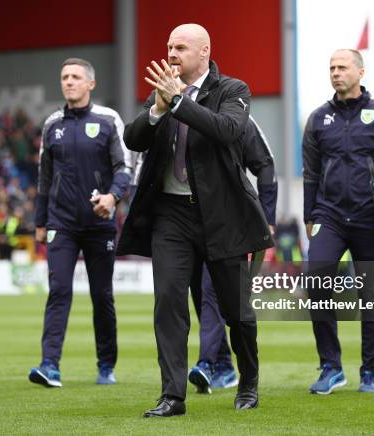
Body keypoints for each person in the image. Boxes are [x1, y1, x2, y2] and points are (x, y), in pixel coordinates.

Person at [117, 23, 273, 417]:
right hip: (171, 215)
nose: (171, 52)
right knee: (168, 303)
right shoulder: (164, 92)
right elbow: (133, 139)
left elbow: (227, 130)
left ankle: (248, 382)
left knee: (236, 310)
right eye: (169, 45)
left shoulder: (232, 90)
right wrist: (156, 108)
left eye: (181, 47)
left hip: (222, 215)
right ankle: (173, 395)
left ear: (204, 52)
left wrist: (178, 103)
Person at [302, 49, 374, 394]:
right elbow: (310, 172)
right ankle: (331, 366)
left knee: (371, 296)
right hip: (330, 216)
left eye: (342, 67)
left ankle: (370, 372)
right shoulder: (319, 119)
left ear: (360, 72)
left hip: (371, 217)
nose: (336, 73)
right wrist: (310, 215)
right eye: (331, 68)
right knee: (316, 279)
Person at [29, 58, 131, 388]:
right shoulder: (51, 125)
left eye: (75, 77)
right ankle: (49, 365)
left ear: (90, 84)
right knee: (58, 290)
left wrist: (112, 198)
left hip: (100, 222)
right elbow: (44, 178)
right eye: (64, 77)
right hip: (62, 222)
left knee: (101, 295)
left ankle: (106, 365)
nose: (68, 82)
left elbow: (124, 168)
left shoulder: (108, 119)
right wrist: (40, 221)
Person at [188, 116, 278, 394]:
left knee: (214, 294)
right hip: (187, 222)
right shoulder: (175, 111)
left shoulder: (239, 115)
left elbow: (265, 163)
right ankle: (224, 365)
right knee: (201, 296)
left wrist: (266, 216)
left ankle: (207, 363)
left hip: (229, 224)